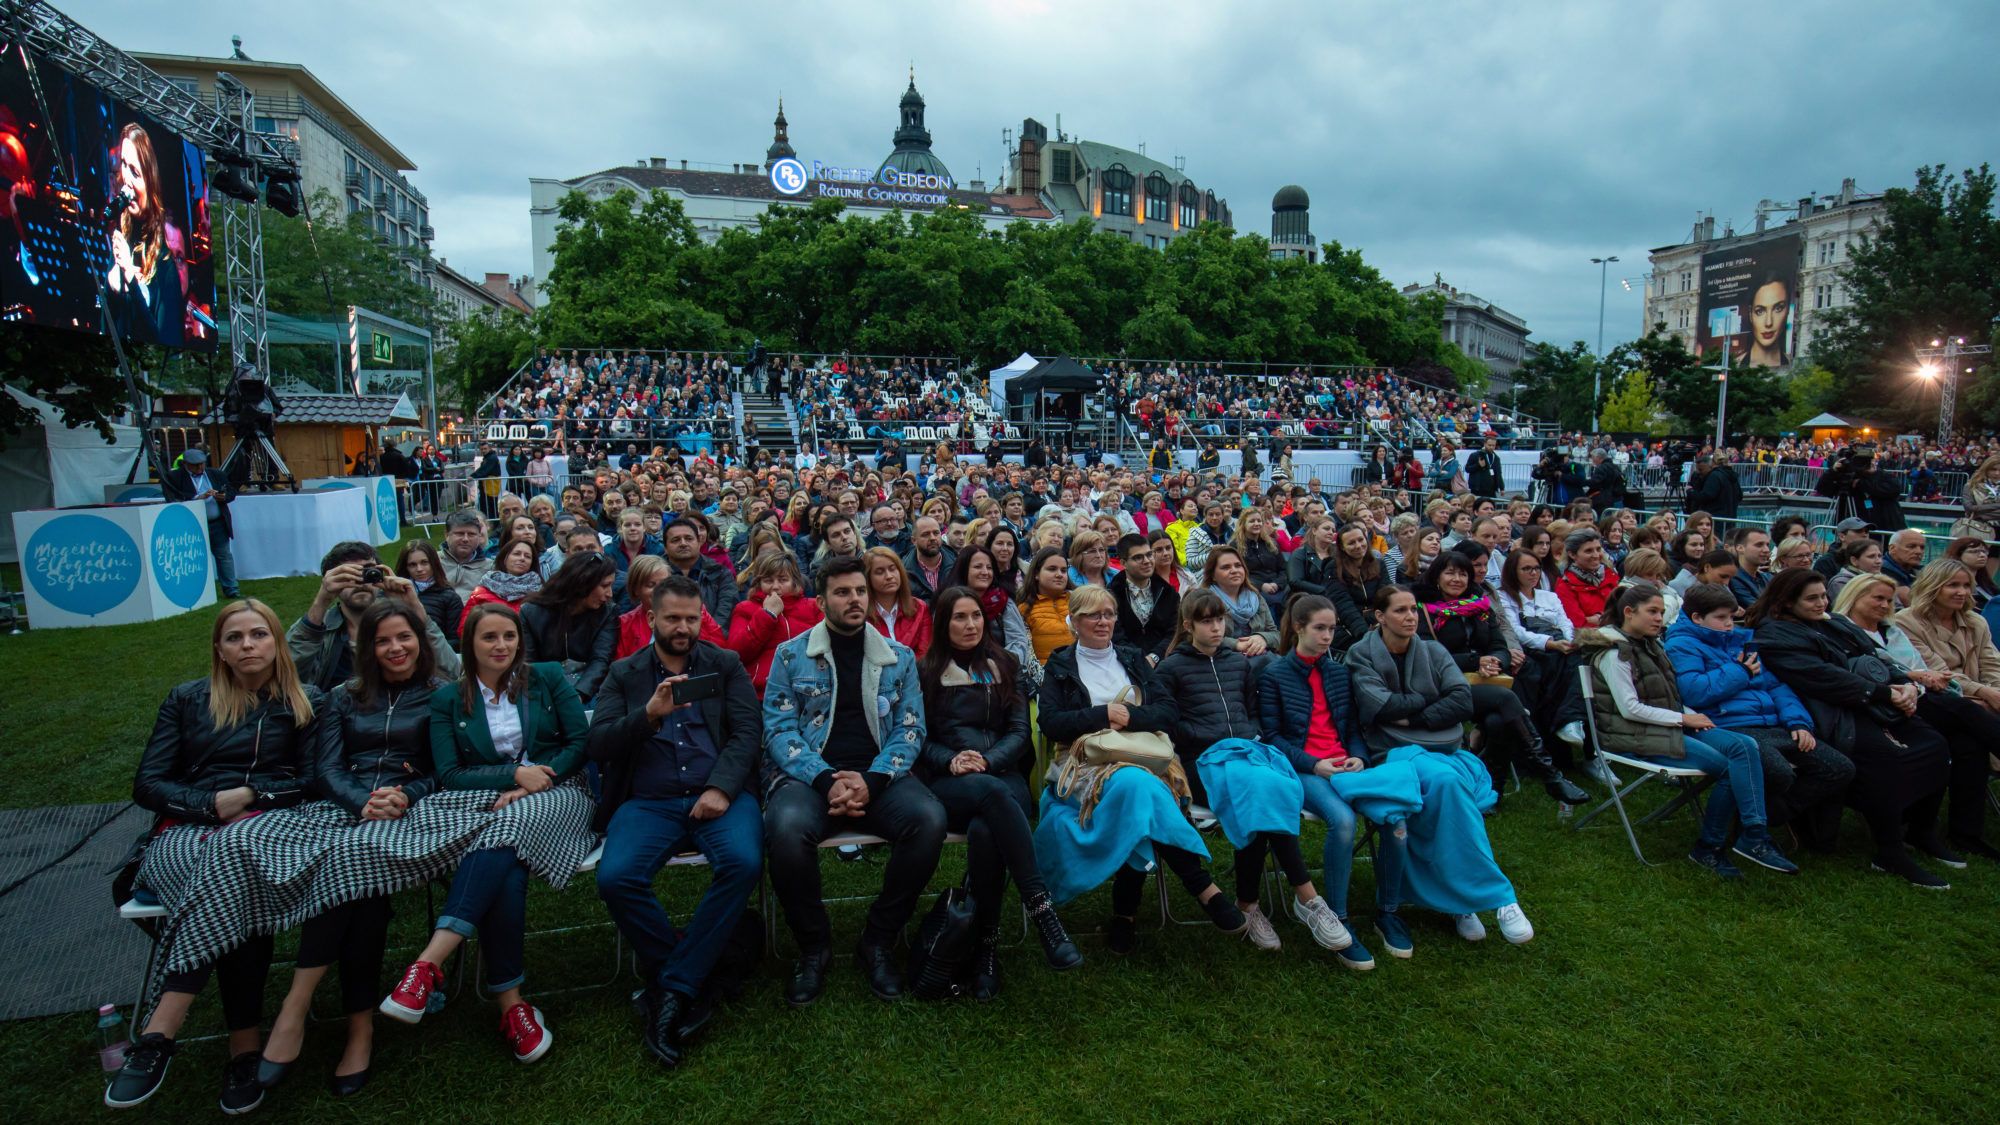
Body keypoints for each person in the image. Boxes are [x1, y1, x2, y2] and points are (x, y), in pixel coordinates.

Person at [105, 600, 322, 1113]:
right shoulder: (186, 700)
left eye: (258, 635)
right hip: (184, 831)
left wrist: (250, 796)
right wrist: (206, 803)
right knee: (235, 884)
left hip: (263, 830)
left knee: (236, 861)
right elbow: (148, 784)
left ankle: (160, 1032)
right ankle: (243, 1048)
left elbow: (314, 783)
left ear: (276, 642)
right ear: (219, 650)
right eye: (235, 638)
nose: (248, 645)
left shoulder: (306, 702)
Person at [381, 604, 593, 1060]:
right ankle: (512, 1006)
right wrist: (513, 778)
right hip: (479, 799)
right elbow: (450, 773)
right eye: (489, 638)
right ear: (469, 645)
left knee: (507, 829)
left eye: (509, 637)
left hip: (559, 789)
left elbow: (580, 743)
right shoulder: (447, 699)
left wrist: (540, 777)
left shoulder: (548, 677)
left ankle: (428, 964)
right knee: (506, 864)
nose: (502, 647)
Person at [261, 601, 444, 1098]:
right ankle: (357, 1026)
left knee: (349, 865)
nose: (395, 648)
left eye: (404, 637)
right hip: (345, 809)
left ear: (420, 641)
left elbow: (443, 769)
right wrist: (363, 802)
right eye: (383, 640)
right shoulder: (342, 697)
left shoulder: (440, 696)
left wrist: (406, 794)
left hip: (410, 814)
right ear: (368, 647)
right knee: (353, 876)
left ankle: (296, 1006)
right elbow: (326, 768)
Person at [588, 574, 765, 1066]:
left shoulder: (724, 664)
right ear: (652, 619)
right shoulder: (625, 673)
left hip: (718, 794)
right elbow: (599, 743)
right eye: (673, 618)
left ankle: (669, 989)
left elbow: (748, 733)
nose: (684, 627)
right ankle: (689, 979)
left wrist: (721, 788)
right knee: (618, 877)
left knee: (744, 863)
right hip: (650, 799)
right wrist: (646, 715)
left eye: (692, 618)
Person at [761, 555, 945, 1005]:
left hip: (880, 775)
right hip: (810, 776)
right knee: (784, 830)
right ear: (821, 600)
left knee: (929, 819)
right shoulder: (791, 655)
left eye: (860, 591)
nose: (855, 599)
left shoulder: (898, 658)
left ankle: (878, 938)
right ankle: (814, 946)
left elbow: (909, 729)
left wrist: (874, 780)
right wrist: (826, 781)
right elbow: (779, 730)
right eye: (843, 592)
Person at [1033, 586, 1247, 953]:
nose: (1103, 621)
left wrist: (1129, 716)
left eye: (1109, 614)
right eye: (1093, 615)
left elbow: (1167, 711)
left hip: (1141, 753)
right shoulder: (1060, 665)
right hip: (1085, 761)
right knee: (1139, 787)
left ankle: (1125, 915)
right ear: (1075, 621)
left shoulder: (1132, 659)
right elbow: (1052, 722)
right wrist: (1102, 714)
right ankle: (1200, 887)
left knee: (1137, 788)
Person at [1342, 586, 1535, 954]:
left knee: (1449, 786)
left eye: (1413, 609)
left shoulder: (1432, 650)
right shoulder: (1360, 655)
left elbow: (1462, 699)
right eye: (1399, 611)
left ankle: (1458, 901)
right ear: (1380, 617)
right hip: (1391, 756)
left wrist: (1412, 715)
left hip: (1443, 751)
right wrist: (1431, 702)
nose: (1410, 617)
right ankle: (1497, 896)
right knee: (1447, 783)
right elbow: (1377, 706)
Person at [1156, 590, 1347, 953]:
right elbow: (1167, 722)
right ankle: (1308, 897)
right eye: (1206, 621)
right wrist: (1201, 737)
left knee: (1269, 789)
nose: (1216, 628)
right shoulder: (1171, 669)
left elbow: (1253, 709)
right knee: (1261, 790)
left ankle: (1250, 905)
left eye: (1220, 620)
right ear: (1188, 626)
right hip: (1202, 761)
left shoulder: (1237, 663)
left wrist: (1249, 735)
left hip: (1246, 752)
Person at [915, 587, 1081, 997]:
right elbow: (916, 736)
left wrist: (988, 760)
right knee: (993, 801)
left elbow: (1020, 732)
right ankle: (1041, 910)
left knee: (989, 830)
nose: (970, 625)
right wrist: (951, 760)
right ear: (943, 623)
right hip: (949, 780)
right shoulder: (925, 670)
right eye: (959, 617)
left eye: (975, 616)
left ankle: (985, 947)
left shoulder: (1005, 664)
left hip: (1000, 773)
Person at [1751, 569, 1954, 887]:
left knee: (1934, 744)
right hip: (1831, 713)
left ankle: (1922, 830)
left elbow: (1876, 656)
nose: (1822, 603)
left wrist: (1905, 684)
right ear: (1787, 602)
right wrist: (1887, 692)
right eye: (1812, 598)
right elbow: (1821, 678)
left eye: (1823, 595)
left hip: (1871, 703)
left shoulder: (1833, 621)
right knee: (1887, 759)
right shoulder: (1774, 634)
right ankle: (1889, 850)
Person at [1581, 583, 1799, 876]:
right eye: (1652, 612)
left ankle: (1754, 835)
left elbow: (1671, 697)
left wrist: (1690, 715)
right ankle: (1709, 847)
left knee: (1745, 745)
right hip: (1632, 734)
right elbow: (1629, 709)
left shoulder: (1651, 644)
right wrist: (1684, 720)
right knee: (1727, 767)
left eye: (1661, 611)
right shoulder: (1614, 652)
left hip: (1668, 724)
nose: (1660, 618)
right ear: (1629, 613)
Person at [1663, 583, 1855, 852]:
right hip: (1729, 726)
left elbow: (1775, 686)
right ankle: (1756, 826)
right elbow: (1695, 693)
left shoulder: (1740, 641)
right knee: (1779, 772)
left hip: (1771, 723)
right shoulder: (1682, 645)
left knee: (1839, 768)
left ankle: (1773, 815)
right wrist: (1740, 671)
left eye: (1731, 617)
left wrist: (1798, 722)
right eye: (1721, 618)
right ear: (1697, 618)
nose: (1729, 624)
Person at [1255, 595, 1375, 970]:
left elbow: (1351, 726)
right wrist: (1314, 764)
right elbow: (1272, 736)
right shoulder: (1274, 674)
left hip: (1346, 763)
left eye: (1332, 629)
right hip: (1306, 768)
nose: (1327, 637)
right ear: (1298, 628)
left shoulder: (1339, 672)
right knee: (1342, 821)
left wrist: (1360, 756)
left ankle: (1389, 910)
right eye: (1319, 629)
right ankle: (1337, 916)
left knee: (1395, 817)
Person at [1414, 553, 1587, 804]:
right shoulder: (1423, 611)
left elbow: (1499, 645)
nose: (1457, 579)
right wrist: (1476, 661)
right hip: (1442, 686)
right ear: (1437, 577)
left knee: (1498, 721)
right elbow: (1429, 653)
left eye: (1463, 573)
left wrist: (1496, 661)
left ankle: (1491, 792)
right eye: (1450, 573)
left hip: (1484, 683)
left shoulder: (1480, 607)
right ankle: (1550, 775)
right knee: (1506, 700)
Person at [1892, 560, 2000, 862]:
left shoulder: (1975, 622)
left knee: (1971, 744)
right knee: (1970, 723)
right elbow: (1936, 673)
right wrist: (1985, 693)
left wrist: (1994, 693)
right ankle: (1964, 834)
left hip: (1978, 710)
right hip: (1931, 704)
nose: (1962, 592)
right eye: (1953, 585)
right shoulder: (1907, 622)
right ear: (1933, 586)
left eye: (1966, 586)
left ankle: (1965, 834)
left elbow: (1993, 664)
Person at [290, 541, 462, 691]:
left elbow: (452, 672)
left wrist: (415, 610)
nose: (359, 582)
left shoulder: (400, 623)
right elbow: (286, 676)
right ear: (331, 580)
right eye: (348, 574)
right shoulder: (320, 626)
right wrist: (321, 601)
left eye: (368, 572)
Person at [520, 553, 620, 701]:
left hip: (589, 691)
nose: (609, 594)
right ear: (583, 582)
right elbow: (529, 662)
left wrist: (578, 695)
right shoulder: (531, 612)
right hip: (543, 688)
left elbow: (600, 660)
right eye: (604, 586)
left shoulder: (607, 613)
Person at [727, 552, 824, 696]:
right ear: (759, 583)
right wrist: (767, 615)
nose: (775, 587)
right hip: (763, 691)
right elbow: (737, 653)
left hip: (811, 686)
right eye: (768, 580)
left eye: (783, 580)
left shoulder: (813, 607)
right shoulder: (745, 608)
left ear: (794, 581)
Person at [160, 446, 240, 599]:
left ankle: (231, 589)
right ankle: (195, 590)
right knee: (192, 557)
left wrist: (224, 496)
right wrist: (198, 498)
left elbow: (231, 491)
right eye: (195, 465)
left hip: (216, 523)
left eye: (202, 464)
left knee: (224, 555)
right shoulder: (174, 478)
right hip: (191, 525)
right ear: (185, 464)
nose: (200, 467)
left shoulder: (216, 474)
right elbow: (173, 499)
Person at [1109, 531, 1179, 661]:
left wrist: (1154, 657)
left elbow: (1174, 632)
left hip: (1165, 661)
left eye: (1149, 555)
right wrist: (1140, 660)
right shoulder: (1111, 596)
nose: (1147, 561)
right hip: (1126, 662)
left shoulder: (1168, 593)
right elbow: (1116, 636)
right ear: (1123, 563)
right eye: (1138, 557)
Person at [1201, 545, 1279, 660]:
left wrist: (1262, 638)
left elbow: (1276, 634)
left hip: (1262, 657)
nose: (1234, 570)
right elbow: (1201, 638)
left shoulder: (1255, 596)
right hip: (1224, 661)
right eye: (1226, 567)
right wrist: (1236, 644)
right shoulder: (1204, 600)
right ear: (1213, 575)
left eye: (1238, 565)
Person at [663, 517, 741, 626]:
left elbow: (726, 610)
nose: (683, 543)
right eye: (676, 540)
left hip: (712, 638)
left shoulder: (720, 572)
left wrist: (709, 636)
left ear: (699, 542)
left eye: (689, 538)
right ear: (665, 547)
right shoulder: (655, 575)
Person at [459, 537, 544, 633]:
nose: (522, 558)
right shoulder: (482, 592)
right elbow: (465, 629)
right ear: (504, 558)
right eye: (516, 554)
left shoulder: (540, 594)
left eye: (528, 556)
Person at [863, 546, 932, 657]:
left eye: (892, 569)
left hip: (915, 672)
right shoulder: (861, 613)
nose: (889, 576)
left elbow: (924, 654)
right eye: (879, 572)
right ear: (867, 578)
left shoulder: (920, 607)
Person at [396, 539, 464, 652]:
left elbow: (456, 641)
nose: (419, 569)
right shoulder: (393, 594)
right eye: (412, 565)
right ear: (406, 567)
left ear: (434, 563)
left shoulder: (450, 597)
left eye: (424, 562)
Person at [1554, 528, 1620, 630]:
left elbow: (1625, 614)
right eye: (1588, 551)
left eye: (1598, 549)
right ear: (1572, 554)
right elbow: (1578, 625)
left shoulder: (1610, 576)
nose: (1596, 555)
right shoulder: (1565, 586)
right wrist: (1611, 617)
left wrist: (1597, 618)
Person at [1018, 546, 1073, 664]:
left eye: (1063, 570)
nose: (1059, 574)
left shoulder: (1078, 601)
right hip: (1046, 677)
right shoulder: (1024, 609)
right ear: (1036, 574)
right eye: (1052, 569)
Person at [439, 510, 495, 601]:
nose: (465, 539)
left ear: (479, 536)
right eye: (460, 534)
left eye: (471, 534)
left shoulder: (491, 568)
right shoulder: (432, 562)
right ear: (446, 535)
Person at [901, 516, 957, 603]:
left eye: (936, 533)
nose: (932, 538)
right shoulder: (902, 570)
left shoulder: (957, 565)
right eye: (925, 534)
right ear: (914, 540)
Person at [1742, 270, 1792, 368]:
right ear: (1750, 314)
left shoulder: (1794, 365)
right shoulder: (1733, 365)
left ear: (1787, 311)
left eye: (1778, 308)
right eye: (1760, 311)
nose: (1768, 322)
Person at [1726, 528, 1774, 610]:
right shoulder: (1733, 578)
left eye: (1767, 545)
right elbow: (1757, 608)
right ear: (1740, 548)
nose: (1766, 550)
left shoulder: (1768, 577)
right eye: (1759, 545)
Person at [1881, 528, 1926, 599]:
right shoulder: (1882, 570)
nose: (1918, 551)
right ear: (1892, 548)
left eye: (1922, 547)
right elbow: (1914, 605)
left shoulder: (1921, 570)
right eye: (1911, 547)